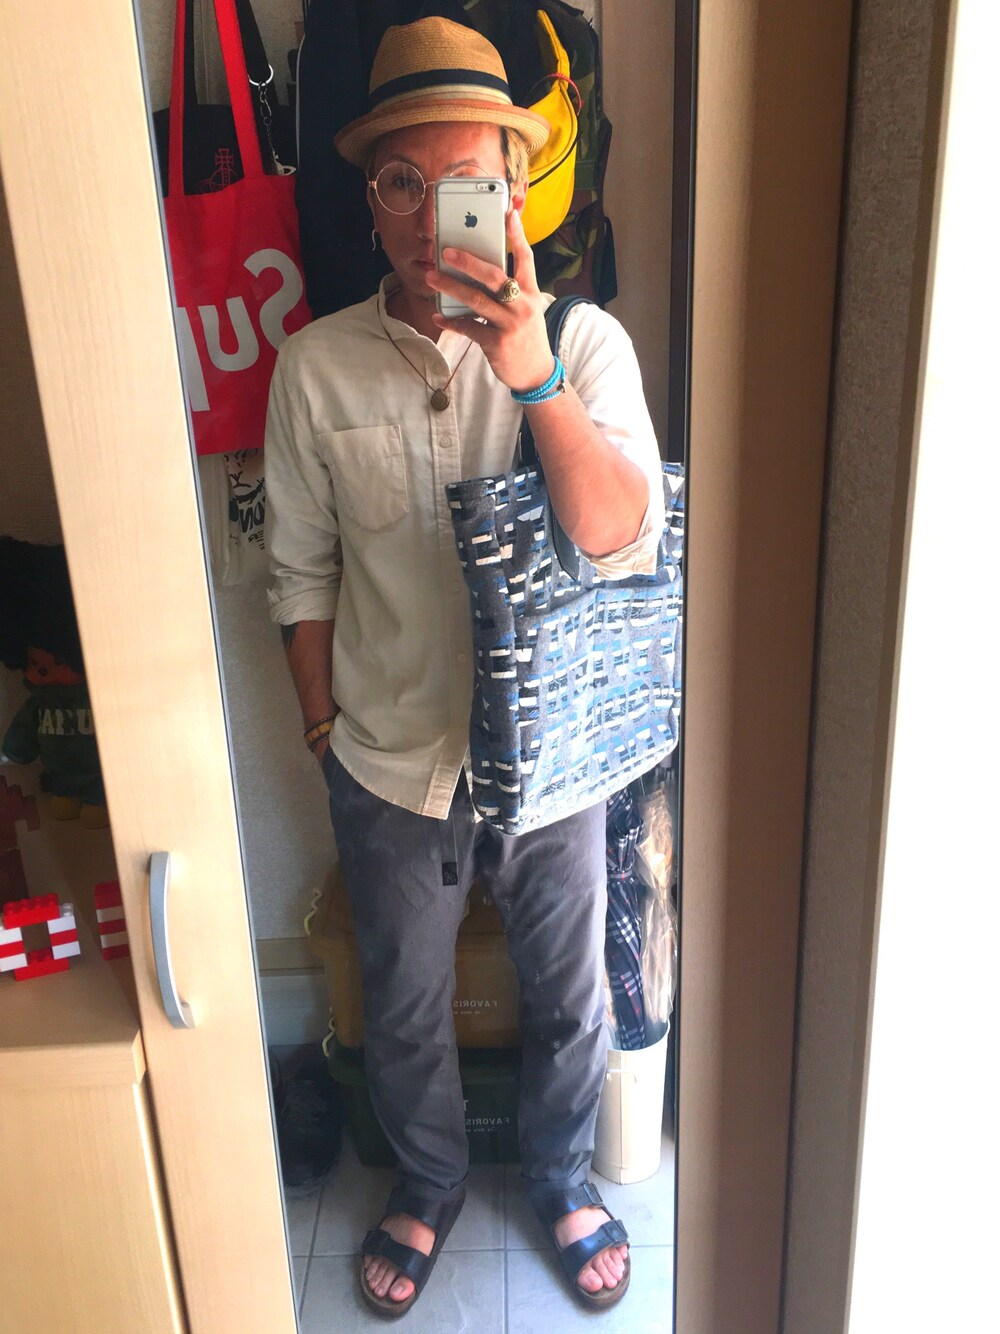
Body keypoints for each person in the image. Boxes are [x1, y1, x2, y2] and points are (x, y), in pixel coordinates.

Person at [265, 16, 665, 1319]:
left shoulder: (587, 344)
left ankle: (558, 1173)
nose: (435, 213)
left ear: (513, 183)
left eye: (467, 181)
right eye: (403, 180)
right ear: (370, 199)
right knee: (401, 999)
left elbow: (622, 540)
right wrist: (322, 733)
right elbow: (300, 571)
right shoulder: (314, 367)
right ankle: (429, 1178)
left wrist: (531, 376)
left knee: (568, 994)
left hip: (558, 762)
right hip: (387, 757)